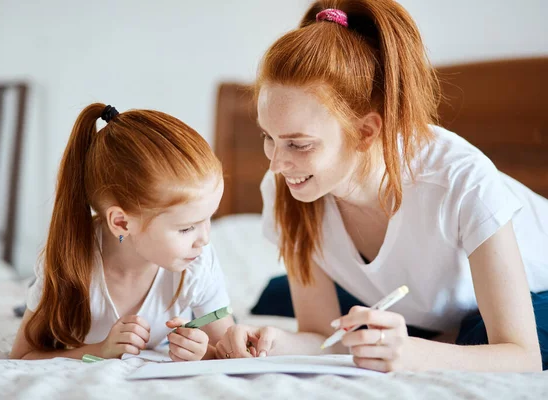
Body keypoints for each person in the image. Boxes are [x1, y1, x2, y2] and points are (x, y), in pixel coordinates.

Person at [216, 0, 548, 371]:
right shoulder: (286, 187)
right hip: (428, 304)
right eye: (268, 137)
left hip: (536, 296)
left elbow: (523, 356)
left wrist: (412, 352)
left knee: (475, 335)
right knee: (274, 297)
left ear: (365, 131)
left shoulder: (462, 182)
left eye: (299, 144)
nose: (276, 164)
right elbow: (318, 334)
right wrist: (274, 343)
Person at [10, 103, 233, 361]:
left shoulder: (199, 263)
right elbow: (22, 355)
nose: (204, 239)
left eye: (209, 219)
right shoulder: (65, 260)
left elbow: (226, 349)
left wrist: (205, 353)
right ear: (122, 223)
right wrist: (100, 351)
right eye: (187, 228)